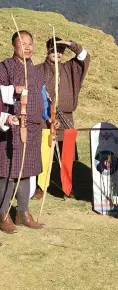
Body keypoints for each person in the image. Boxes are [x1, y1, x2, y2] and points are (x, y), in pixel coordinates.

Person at [0, 30, 59, 233]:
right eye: (22, 43)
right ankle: (3, 214)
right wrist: (12, 90)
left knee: (27, 172)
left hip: (33, 127)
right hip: (12, 127)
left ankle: (23, 213)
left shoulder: (36, 71)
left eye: (30, 43)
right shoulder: (5, 66)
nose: (27, 47)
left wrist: (48, 117)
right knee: (7, 174)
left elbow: (43, 97)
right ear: (14, 46)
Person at [32, 37, 90, 199]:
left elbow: (85, 57)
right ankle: (41, 186)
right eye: (54, 50)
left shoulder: (70, 68)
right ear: (47, 50)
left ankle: (67, 186)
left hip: (66, 118)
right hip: (44, 117)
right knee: (44, 152)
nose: (57, 53)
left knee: (67, 155)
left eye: (61, 51)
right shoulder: (37, 70)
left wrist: (71, 44)